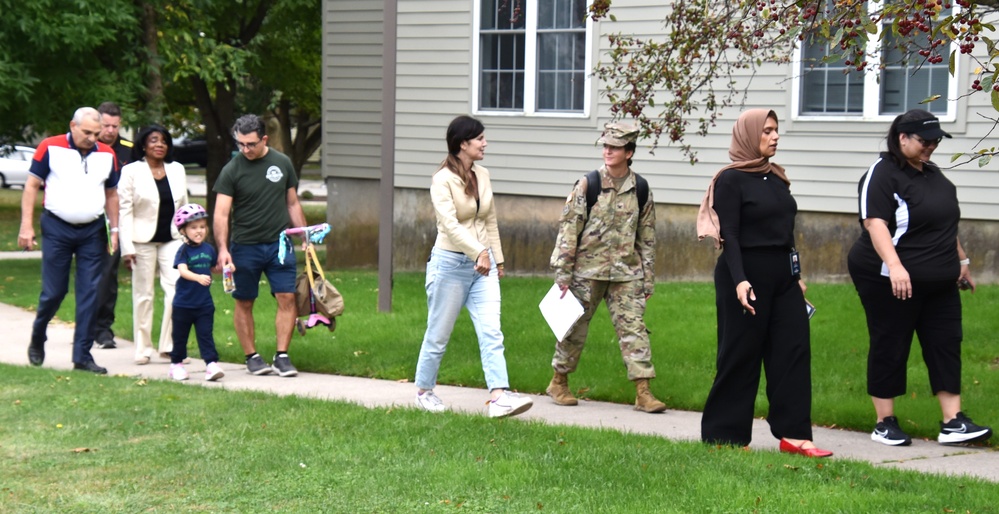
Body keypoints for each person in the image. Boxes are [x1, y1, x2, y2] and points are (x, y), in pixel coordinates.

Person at [847, 109, 992, 447]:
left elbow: (943, 222)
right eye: (926, 141)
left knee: (945, 342)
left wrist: (962, 261)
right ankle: (885, 422)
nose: (932, 146)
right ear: (903, 139)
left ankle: (952, 421)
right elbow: (875, 223)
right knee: (891, 343)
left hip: (939, 280)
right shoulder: (882, 175)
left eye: (937, 141)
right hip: (889, 277)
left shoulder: (931, 173)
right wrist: (896, 267)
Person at [696, 109, 832, 457]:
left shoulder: (776, 177)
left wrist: (796, 275)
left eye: (776, 130)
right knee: (740, 353)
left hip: (782, 276)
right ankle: (724, 436)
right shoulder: (730, 179)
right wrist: (740, 280)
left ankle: (795, 435)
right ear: (749, 135)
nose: (775, 136)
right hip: (743, 272)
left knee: (793, 351)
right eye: (767, 131)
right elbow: (731, 235)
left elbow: (785, 234)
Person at [413, 115, 533, 419]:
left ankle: (499, 397)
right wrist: (479, 250)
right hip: (450, 265)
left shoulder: (483, 174)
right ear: (462, 144)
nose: (485, 143)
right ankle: (424, 391)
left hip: (484, 266)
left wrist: (498, 258)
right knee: (438, 334)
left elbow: (488, 218)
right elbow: (449, 224)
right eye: (479, 138)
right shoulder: (442, 180)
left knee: (492, 331)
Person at [547, 122, 667, 414]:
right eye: (605, 146)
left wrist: (646, 280)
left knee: (634, 330)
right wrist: (563, 274)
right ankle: (558, 382)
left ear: (629, 152)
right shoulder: (589, 184)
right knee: (573, 329)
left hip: (626, 274)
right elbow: (568, 231)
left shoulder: (640, 189)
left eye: (614, 147)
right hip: (586, 272)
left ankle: (643, 392)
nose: (608, 151)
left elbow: (647, 237)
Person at [19, 107, 120, 374]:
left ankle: (82, 356)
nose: (92, 138)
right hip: (56, 227)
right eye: (86, 132)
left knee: (89, 293)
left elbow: (111, 193)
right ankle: (38, 336)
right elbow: (31, 185)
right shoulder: (49, 147)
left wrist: (116, 231)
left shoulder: (107, 154)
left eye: (96, 133)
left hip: (92, 231)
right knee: (54, 292)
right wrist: (26, 226)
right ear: (72, 126)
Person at [214, 114, 307, 377]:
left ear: (264, 139)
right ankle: (252, 357)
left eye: (250, 144)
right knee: (244, 300)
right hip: (245, 247)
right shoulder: (232, 169)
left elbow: (292, 203)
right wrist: (223, 249)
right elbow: (221, 213)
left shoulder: (282, 163)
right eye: (240, 144)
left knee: (287, 296)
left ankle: (282, 356)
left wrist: (304, 237)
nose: (245, 149)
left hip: (280, 244)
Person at [118, 124, 188, 364]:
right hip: (141, 241)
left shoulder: (177, 169)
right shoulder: (131, 171)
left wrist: (189, 239)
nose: (160, 145)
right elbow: (124, 211)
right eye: (154, 140)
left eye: (164, 141)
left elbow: (184, 208)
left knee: (177, 290)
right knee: (143, 295)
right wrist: (127, 248)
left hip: (173, 239)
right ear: (143, 145)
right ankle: (143, 348)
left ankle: (169, 345)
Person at [92, 101, 134, 350]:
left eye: (115, 126)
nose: (110, 130)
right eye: (105, 125)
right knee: (92, 275)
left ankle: (103, 329)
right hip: (91, 217)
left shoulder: (129, 150)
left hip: (119, 221)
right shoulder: (88, 147)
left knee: (108, 275)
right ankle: (88, 323)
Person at [169, 204, 224, 382]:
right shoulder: (183, 251)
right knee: (180, 337)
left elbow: (214, 268)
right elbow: (183, 271)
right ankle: (176, 365)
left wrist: (225, 268)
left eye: (202, 227)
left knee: (205, 335)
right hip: (183, 304)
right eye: (193, 228)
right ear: (183, 231)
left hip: (204, 304)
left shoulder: (208, 249)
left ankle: (211, 364)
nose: (199, 231)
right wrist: (198, 277)